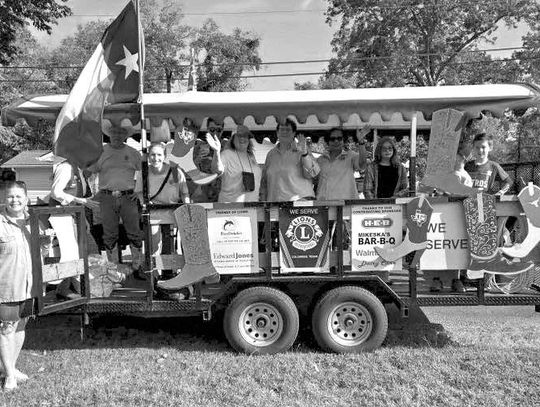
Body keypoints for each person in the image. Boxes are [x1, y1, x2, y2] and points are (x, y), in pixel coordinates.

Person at [87, 125, 143, 273]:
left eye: (120, 133)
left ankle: (137, 266)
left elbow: (144, 173)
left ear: (126, 136)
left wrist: (139, 191)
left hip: (128, 197)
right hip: (106, 196)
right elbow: (90, 172)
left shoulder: (133, 153)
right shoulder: (100, 152)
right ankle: (113, 269)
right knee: (109, 233)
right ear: (108, 134)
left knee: (134, 232)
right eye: (114, 132)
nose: (117, 135)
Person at [0, 181, 36, 391]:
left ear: (26, 198)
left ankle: (10, 368)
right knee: (6, 329)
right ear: (5, 199)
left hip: (29, 285)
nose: (15, 200)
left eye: (18, 196)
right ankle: (10, 377)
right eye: (10, 196)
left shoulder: (33, 221)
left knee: (21, 326)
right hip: (7, 287)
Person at [135, 142, 190, 277]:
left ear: (164, 156)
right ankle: (154, 276)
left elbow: (184, 192)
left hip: (172, 212)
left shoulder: (175, 171)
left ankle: (172, 273)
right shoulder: (144, 172)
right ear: (148, 156)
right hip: (154, 212)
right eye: (152, 155)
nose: (155, 158)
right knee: (153, 245)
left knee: (172, 245)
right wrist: (144, 203)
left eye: (159, 155)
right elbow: (139, 192)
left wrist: (187, 207)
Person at [48, 159, 100, 299]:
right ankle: (63, 288)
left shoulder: (78, 168)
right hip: (60, 216)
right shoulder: (65, 168)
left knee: (77, 252)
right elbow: (56, 192)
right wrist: (81, 201)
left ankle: (71, 286)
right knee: (69, 253)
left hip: (72, 215)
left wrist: (83, 220)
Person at [259, 118, 320, 201]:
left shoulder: (302, 150)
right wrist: (263, 201)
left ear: (294, 133)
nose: (284, 132)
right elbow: (264, 181)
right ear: (277, 133)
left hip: (299, 204)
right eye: (282, 129)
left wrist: (304, 153)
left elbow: (313, 174)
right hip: (275, 204)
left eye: (288, 129)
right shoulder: (271, 154)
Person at [208, 125, 262, 202]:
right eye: (239, 136)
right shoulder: (226, 154)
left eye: (246, 136)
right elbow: (216, 170)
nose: (242, 139)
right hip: (231, 208)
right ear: (233, 138)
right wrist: (216, 152)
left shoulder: (251, 157)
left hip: (252, 207)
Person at [316, 127, 369, 200]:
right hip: (324, 204)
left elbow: (362, 164)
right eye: (332, 139)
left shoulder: (350, 156)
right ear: (328, 141)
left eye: (339, 138)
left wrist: (361, 142)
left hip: (346, 205)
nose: (336, 141)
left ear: (343, 141)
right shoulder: (320, 160)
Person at [192, 117, 225, 202]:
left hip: (223, 194)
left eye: (218, 130)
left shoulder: (227, 146)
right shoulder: (199, 147)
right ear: (207, 129)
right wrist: (197, 159)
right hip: (203, 194)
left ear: (222, 130)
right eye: (212, 129)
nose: (215, 133)